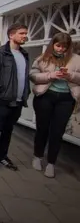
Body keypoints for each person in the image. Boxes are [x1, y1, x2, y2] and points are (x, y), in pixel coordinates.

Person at [30, 32, 80, 178]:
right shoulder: (42, 58)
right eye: (58, 46)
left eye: (64, 47)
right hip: (46, 96)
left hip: (66, 99)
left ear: (69, 47)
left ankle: (51, 163)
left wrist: (69, 75)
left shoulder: (77, 59)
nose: (60, 49)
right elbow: (33, 75)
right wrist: (50, 76)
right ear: (53, 44)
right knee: (42, 129)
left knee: (57, 132)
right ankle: (37, 157)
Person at [0, 23, 30, 172]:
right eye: (21, 33)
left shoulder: (24, 54)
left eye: (25, 33)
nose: (25, 36)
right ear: (11, 35)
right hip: (2, 99)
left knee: (8, 130)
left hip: (17, 101)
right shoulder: (0, 53)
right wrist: (1, 90)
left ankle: (2, 155)